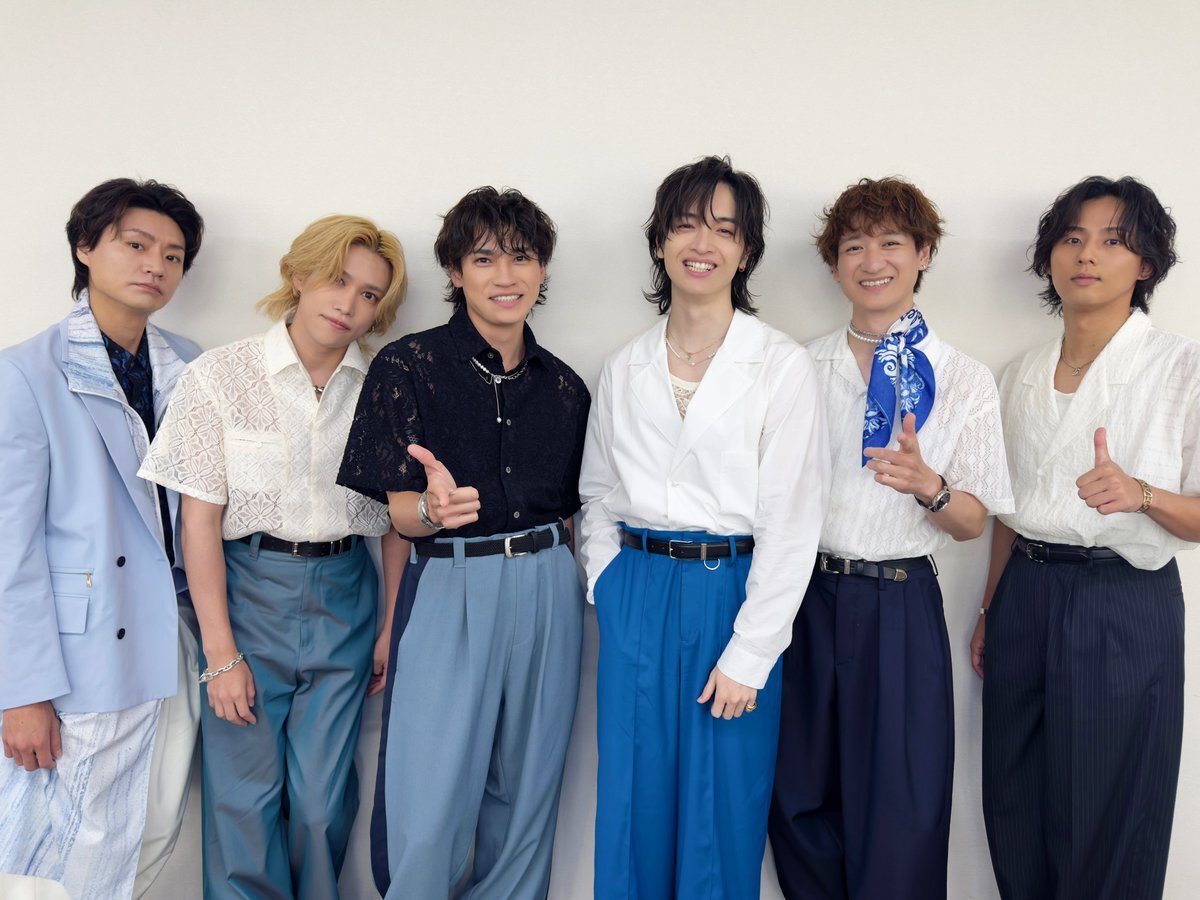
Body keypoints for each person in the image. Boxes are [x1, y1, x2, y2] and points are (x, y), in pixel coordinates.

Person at [578, 155, 829, 900]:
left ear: (746, 252)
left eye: (724, 229)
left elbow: (793, 520)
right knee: (634, 798)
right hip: (638, 588)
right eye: (687, 224)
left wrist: (753, 651)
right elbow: (597, 494)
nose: (703, 243)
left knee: (721, 806)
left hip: (731, 593)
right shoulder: (624, 366)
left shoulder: (779, 364)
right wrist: (607, 584)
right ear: (660, 241)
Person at [139, 215, 408, 899]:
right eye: (337, 280)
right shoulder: (219, 376)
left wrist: (389, 626)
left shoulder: (384, 387)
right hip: (247, 595)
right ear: (297, 275)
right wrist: (221, 655)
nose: (349, 304)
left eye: (369, 294)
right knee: (243, 799)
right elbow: (198, 522)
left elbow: (396, 525)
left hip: (347, 597)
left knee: (321, 803)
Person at [337, 187, 590, 900]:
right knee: (428, 798)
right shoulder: (407, 366)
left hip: (548, 585)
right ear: (454, 271)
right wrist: (432, 508)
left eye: (522, 257)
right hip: (450, 582)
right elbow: (398, 513)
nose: (505, 276)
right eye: (483, 259)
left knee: (528, 792)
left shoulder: (566, 388)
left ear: (542, 270)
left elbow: (574, 511)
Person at [766, 177, 1012, 900]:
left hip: (899, 603)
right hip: (802, 597)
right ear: (834, 263)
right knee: (797, 800)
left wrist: (930, 486)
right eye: (853, 246)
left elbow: (974, 521)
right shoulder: (795, 367)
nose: (872, 261)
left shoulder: (962, 378)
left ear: (924, 253)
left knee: (902, 809)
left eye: (891, 243)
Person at [975, 176, 1200, 900]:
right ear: (1049, 257)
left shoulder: (1182, 367)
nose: (1087, 255)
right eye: (1072, 238)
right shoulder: (1019, 375)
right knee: (1015, 794)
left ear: (1147, 265)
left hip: (1122, 599)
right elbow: (1007, 510)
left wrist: (1143, 495)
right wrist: (991, 608)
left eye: (1113, 241)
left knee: (1111, 808)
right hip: (1026, 592)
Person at [0, 177, 204, 899]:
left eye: (173, 256)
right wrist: (22, 692)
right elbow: (11, 549)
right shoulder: (26, 373)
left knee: (149, 830)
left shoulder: (189, 364)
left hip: (172, 639)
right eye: (137, 245)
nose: (156, 265)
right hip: (79, 651)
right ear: (86, 248)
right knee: (62, 850)